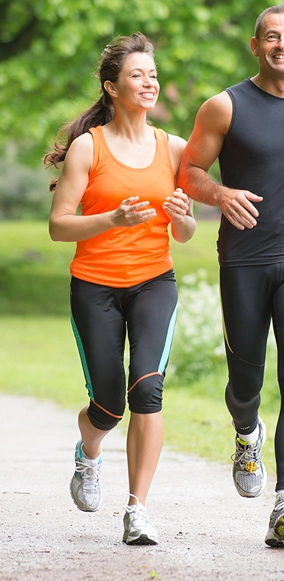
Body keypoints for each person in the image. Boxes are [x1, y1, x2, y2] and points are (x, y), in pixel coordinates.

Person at [178, 5, 284, 548]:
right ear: (255, 45)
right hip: (245, 262)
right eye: (271, 37)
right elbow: (190, 171)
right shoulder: (225, 107)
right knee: (246, 381)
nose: (282, 44)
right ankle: (246, 433)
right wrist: (220, 194)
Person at [44, 32, 196, 546]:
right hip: (95, 287)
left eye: (152, 74)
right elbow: (59, 226)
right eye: (137, 74)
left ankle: (137, 510)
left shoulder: (173, 148)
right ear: (112, 87)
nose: (149, 82)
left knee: (147, 390)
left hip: (155, 281)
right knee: (108, 404)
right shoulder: (90, 147)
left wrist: (184, 218)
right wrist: (111, 218)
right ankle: (89, 453)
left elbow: (186, 231)